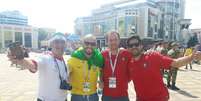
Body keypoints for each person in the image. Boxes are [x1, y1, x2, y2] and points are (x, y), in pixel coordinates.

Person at [127, 35, 198, 101]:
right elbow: (124, 80)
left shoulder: (152, 56)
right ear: (128, 48)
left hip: (159, 98)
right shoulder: (129, 64)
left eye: (136, 44)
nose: (134, 47)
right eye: (131, 45)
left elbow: (176, 63)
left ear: (141, 45)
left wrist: (191, 57)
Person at [7, 33, 69, 101]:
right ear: (51, 44)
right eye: (56, 42)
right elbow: (32, 65)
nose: (60, 45)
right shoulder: (45, 57)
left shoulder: (65, 61)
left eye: (63, 42)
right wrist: (21, 60)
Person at [67, 34, 104, 101]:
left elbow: (102, 71)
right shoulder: (74, 58)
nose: (89, 46)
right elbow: (66, 74)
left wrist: (101, 80)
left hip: (93, 96)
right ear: (82, 43)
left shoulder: (99, 59)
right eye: (87, 43)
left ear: (95, 45)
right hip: (77, 96)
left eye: (92, 44)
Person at [101, 31, 132, 101]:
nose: (113, 42)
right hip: (107, 95)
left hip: (122, 95)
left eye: (115, 40)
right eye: (110, 40)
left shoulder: (126, 54)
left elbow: (131, 71)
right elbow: (100, 70)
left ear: (119, 41)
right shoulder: (102, 55)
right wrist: (100, 80)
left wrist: (123, 81)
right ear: (107, 42)